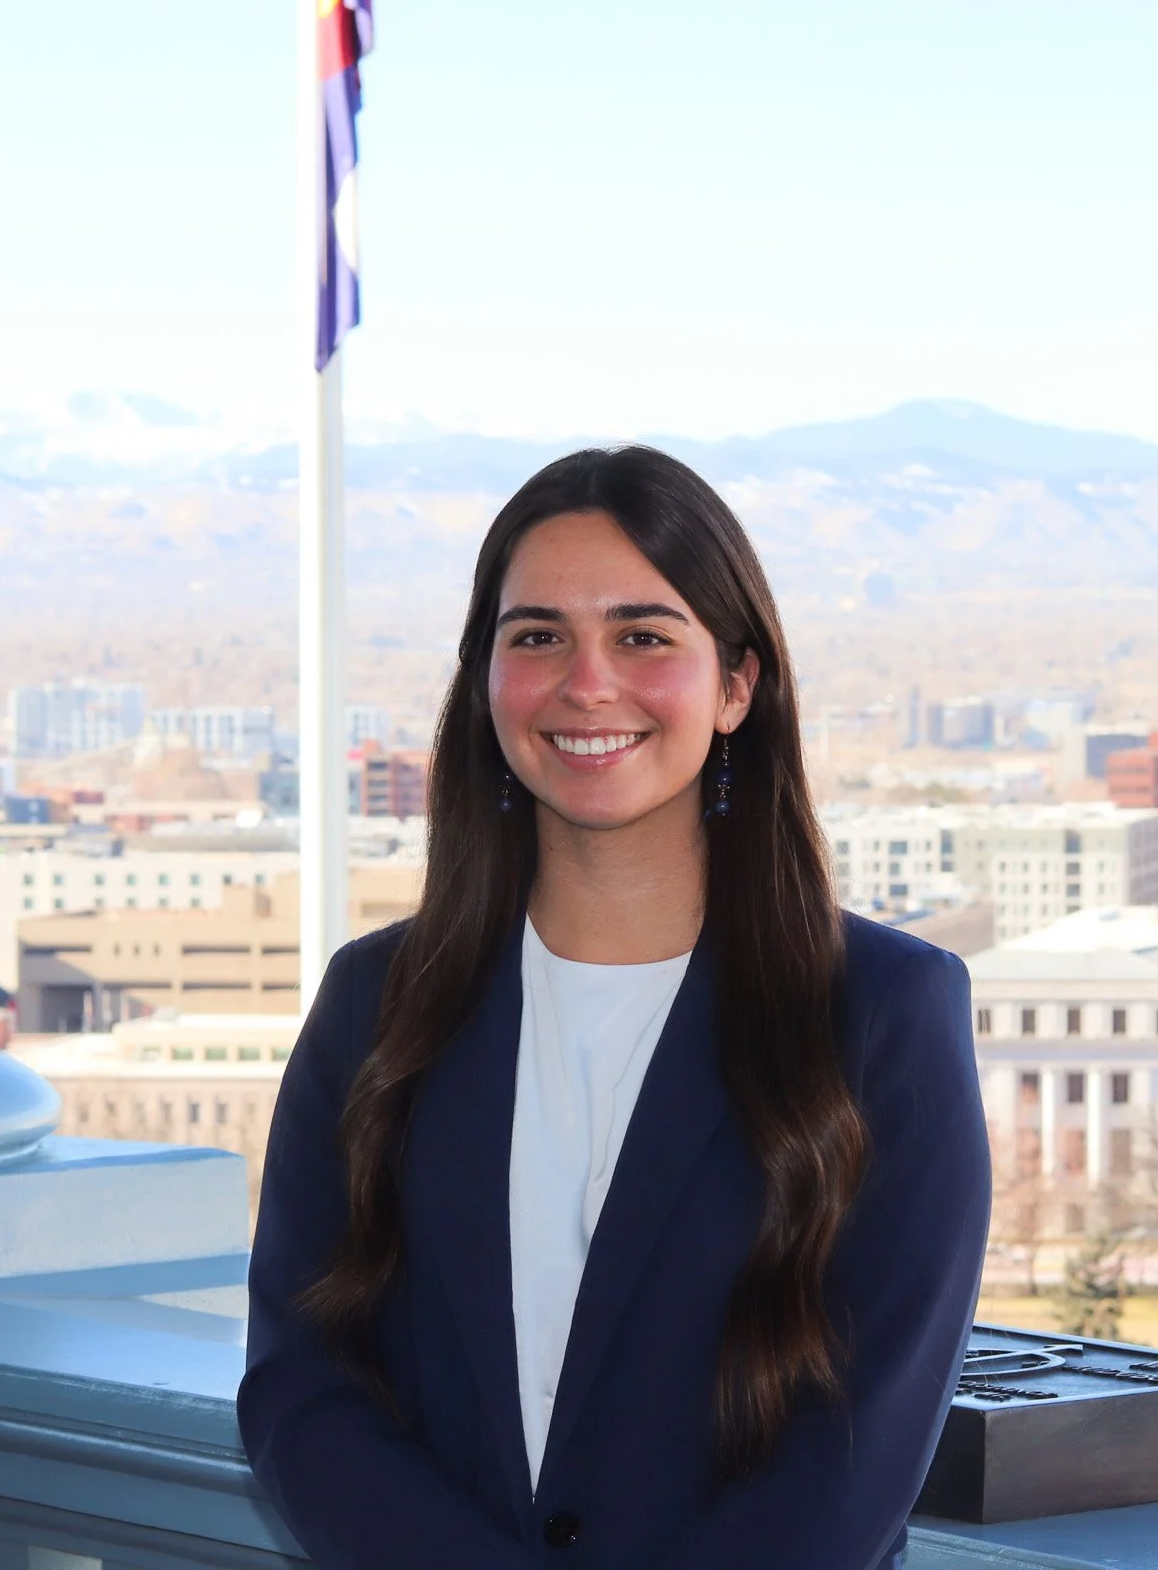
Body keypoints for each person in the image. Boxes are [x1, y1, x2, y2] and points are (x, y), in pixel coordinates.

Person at [238, 446, 993, 1570]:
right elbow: (302, 1387)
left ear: (736, 685)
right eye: (537, 637)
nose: (587, 684)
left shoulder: (883, 1014)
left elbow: (858, 1441)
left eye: (643, 636)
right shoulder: (374, 1007)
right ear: (485, 680)